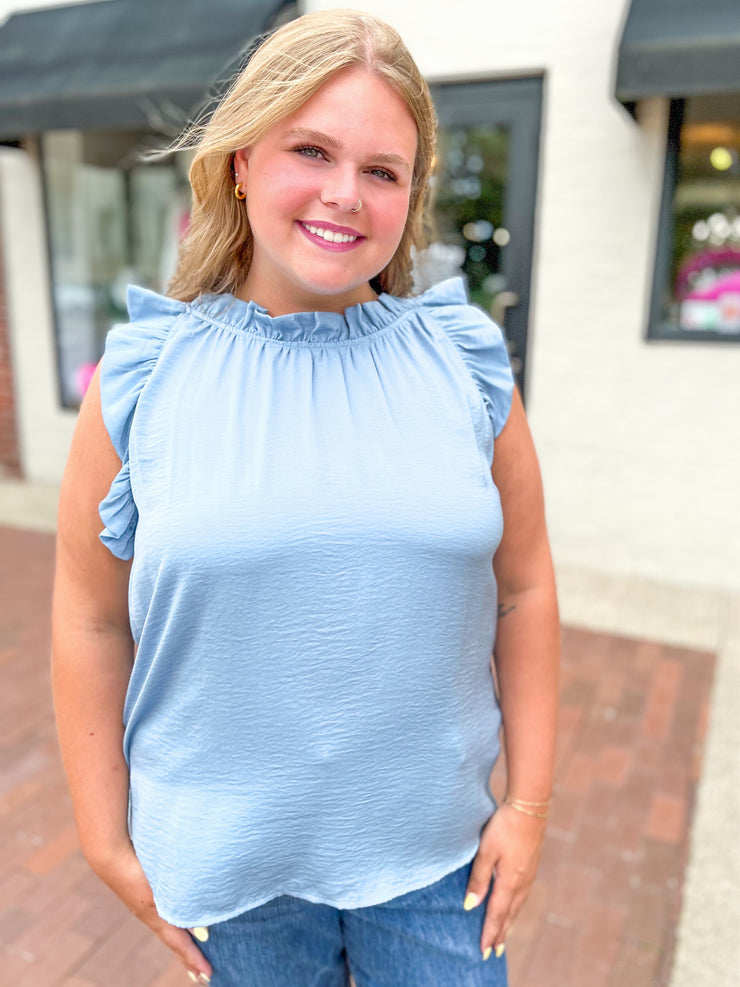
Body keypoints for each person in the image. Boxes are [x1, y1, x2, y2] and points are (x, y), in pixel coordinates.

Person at [52, 9, 560, 986]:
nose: (343, 194)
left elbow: (523, 590)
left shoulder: (465, 365)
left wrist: (527, 807)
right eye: (310, 150)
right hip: (230, 873)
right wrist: (99, 830)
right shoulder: (143, 380)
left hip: (436, 864)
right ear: (240, 161)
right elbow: (88, 618)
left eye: (381, 169)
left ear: (410, 196)